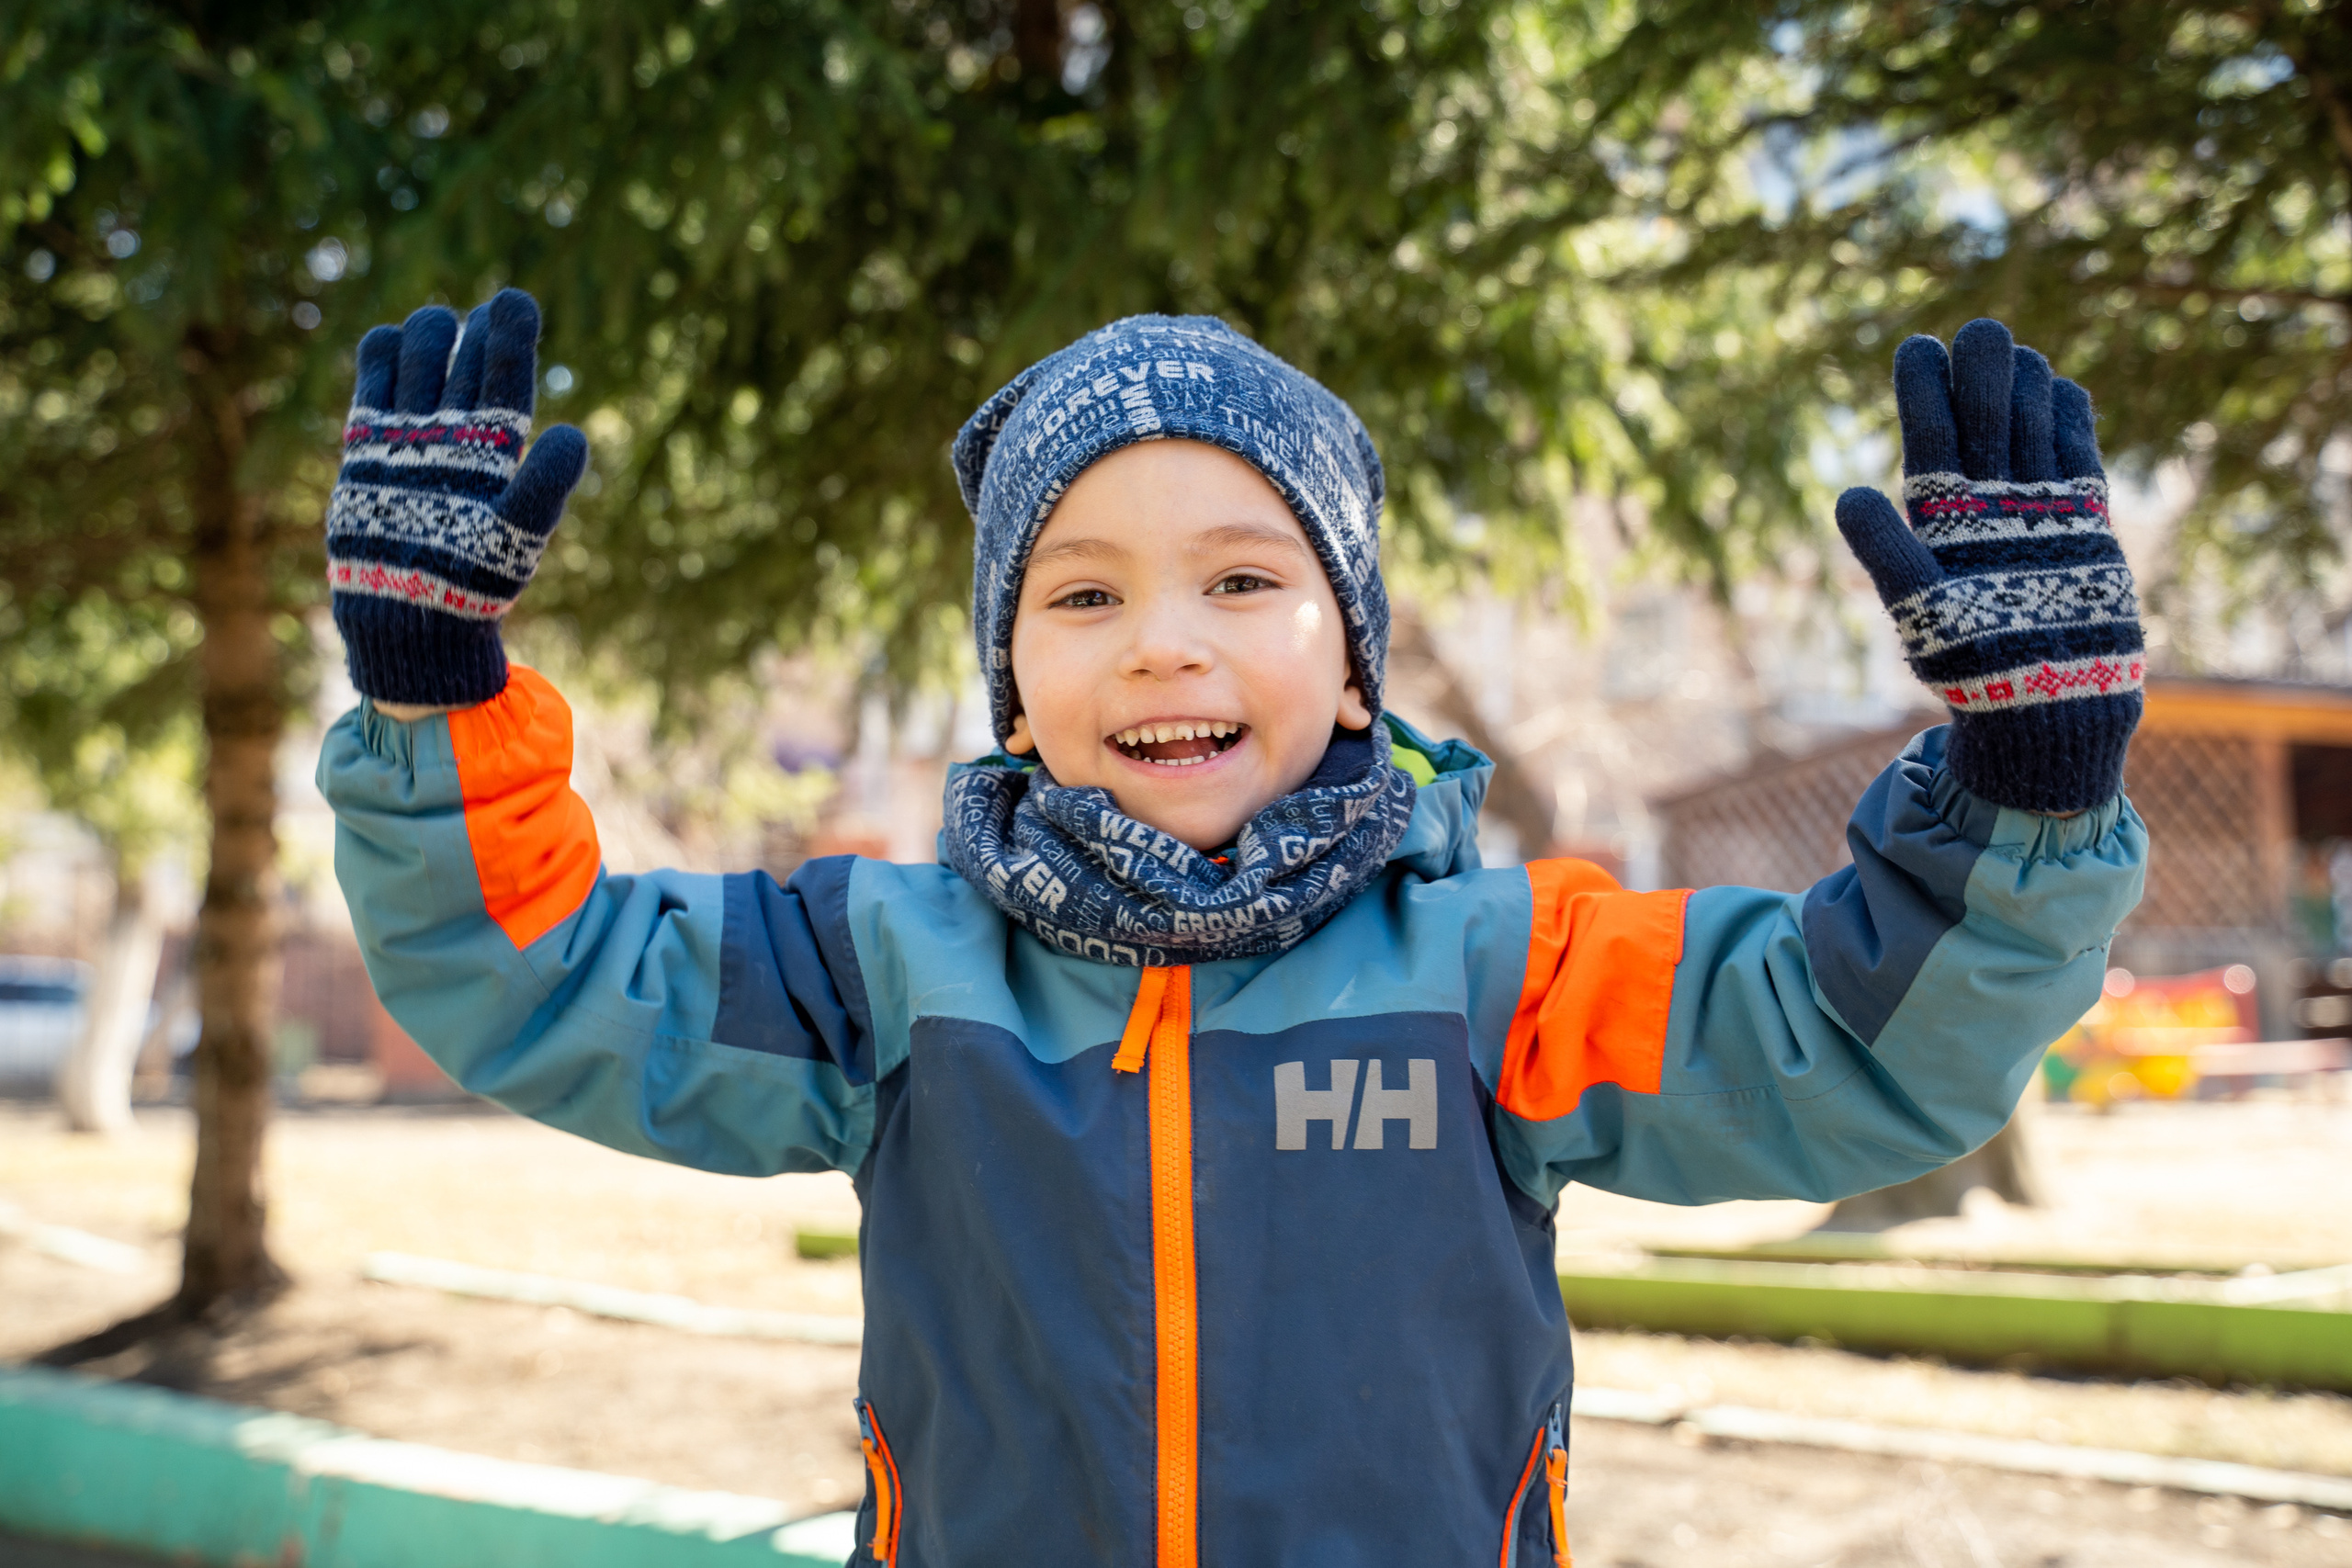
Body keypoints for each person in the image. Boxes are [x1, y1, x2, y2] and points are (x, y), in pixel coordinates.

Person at [319, 293, 2146, 1568]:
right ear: (1013, 688)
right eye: (1083, 590)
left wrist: (2027, 786)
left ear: (1351, 663)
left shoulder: (1495, 963)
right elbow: (536, 967)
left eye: (1242, 578)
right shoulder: (888, 964)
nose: (1158, 640)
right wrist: (430, 695)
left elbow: (1838, 1049)